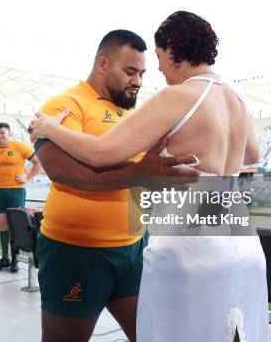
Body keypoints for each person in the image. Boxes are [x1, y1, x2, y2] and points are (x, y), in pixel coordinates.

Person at [31, 12, 267, 342]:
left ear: (172, 49)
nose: (154, 71)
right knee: (231, 332)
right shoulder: (234, 98)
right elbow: (252, 155)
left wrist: (49, 128)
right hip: (239, 238)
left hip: (189, 242)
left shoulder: (176, 97)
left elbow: (100, 154)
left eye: (156, 59)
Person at [31, 29, 199, 342]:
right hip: (77, 252)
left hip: (134, 249)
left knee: (154, 336)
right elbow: (63, 172)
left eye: (142, 73)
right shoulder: (65, 105)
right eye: (130, 71)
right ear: (103, 64)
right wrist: (139, 173)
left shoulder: (133, 115)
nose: (137, 80)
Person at [0, 122, 41, 272]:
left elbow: (37, 163)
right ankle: (4, 258)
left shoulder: (19, 147)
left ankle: (15, 260)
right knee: (2, 225)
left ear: (9, 133)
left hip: (16, 191)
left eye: (3, 133)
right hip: (0, 191)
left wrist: (27, 178)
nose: (0, 136)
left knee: (15, 225)